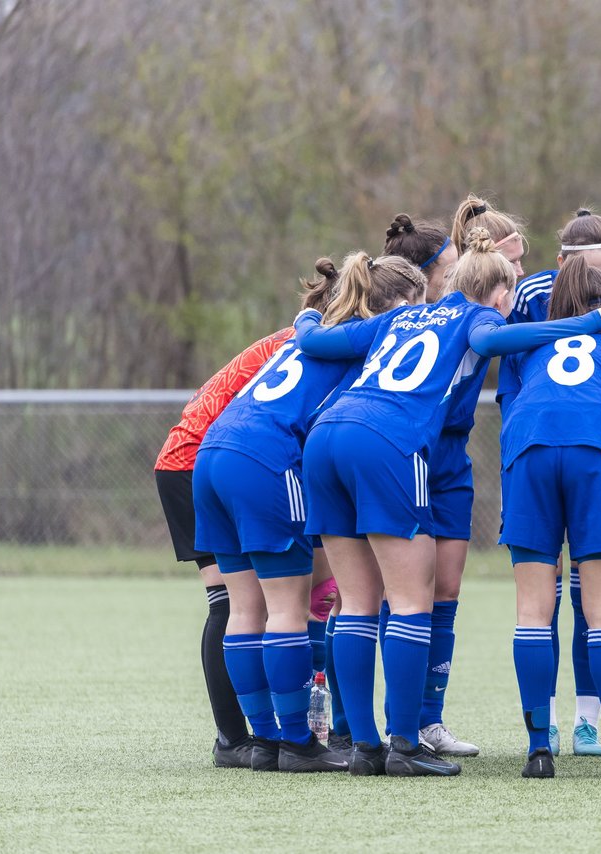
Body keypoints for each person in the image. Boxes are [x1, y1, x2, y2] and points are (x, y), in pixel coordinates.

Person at [294, 229, 601, 778]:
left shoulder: (402, 316)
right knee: (412, 601)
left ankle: (365, 747)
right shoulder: (479, 316)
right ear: (500, 293)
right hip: (390, 444)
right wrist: (590, 323)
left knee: (355, 602)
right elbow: (494, 344)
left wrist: (306, 315)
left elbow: (317, 342)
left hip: (326, 437)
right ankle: (403, 743)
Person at [193, 254, 425, 773]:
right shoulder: (372, 341)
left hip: (214, 453)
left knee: (244, 608)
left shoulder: (318, 329)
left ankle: (263, 741)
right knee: (286, 609)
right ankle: (297, 742)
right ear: (401, 304)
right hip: (266, 461)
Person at [497, 255, 601, 779]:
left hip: (528, 451)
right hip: (599, 452)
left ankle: (538, 751)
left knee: (532, 610)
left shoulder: (527, 342)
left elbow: (508, 413)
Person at [155, 316, 299, 768]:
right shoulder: (310, 343)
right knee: (231, 603)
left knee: (240, 603)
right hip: (194, 461)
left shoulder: (292, 335)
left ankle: (244, 735)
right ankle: (233, 737)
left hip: (199, 458)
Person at [381, 212, 479, 757]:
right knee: (388, 596)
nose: (460, 268)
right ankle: (368, 725)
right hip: (401, 457)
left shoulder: (468, 313)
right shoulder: (399, 321)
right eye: (450, 263)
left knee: (444, 593)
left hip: (450, 466)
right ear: (423, 274)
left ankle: (428, 720)